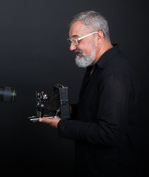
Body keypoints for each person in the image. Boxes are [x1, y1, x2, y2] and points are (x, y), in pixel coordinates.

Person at [40, 10, 140, 177]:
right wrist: (68, 110)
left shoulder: (115, 74)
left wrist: (59, 124)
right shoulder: (95, 66)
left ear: (98, 36)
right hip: (91, 165)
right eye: (70, 40)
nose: (71, 47)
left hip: (110, 169)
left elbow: (110, 133)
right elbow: (95, 110)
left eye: (76, 40)